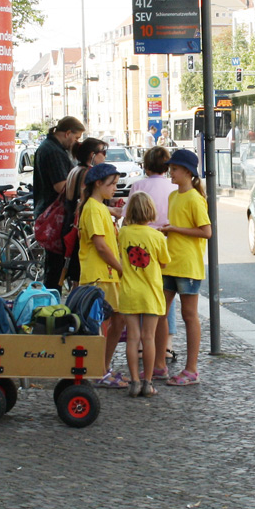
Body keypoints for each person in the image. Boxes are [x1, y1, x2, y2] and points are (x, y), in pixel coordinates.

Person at [156, 149, 211, 386]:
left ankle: (191, 369)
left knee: (189, 316)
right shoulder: (173, 196)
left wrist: (174, 229)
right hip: (170, 262)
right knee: (160, 313)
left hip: (188, 265)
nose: (171, 172)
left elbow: (206, 232)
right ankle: (159, 363)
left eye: (175, 169)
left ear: (187, 172)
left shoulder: (195, 199)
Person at [129, 145, 178, 373]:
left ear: (146, 165)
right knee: (165, 299)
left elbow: (129, 216)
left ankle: (141, 343)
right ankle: (166, 345)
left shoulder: (139, 185)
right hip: (166, 242)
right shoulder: (173, 186)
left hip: (140, 244)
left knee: (141, 291)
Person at [75, 163, 125, 389]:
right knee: (102, 325)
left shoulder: (98, 207)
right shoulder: (93, 208)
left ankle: (102, 367)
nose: (115, 187)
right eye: (111, 184)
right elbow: (101, 246)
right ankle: (98, 369)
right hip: (100, 276)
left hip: (107, 274)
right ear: (98, 184)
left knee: (117, 320)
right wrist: (122, 268)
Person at [117, 192, 170, 398]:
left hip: (129, 292)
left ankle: (134, 382)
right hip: (151, 293)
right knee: (149, 338)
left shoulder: (123, 234)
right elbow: (164, 262)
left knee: (133, 338)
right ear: (150, 211)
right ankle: (148, 383)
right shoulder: (157, 236)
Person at [33, 116, 85, 290]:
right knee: (56, 268)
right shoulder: (54, 151)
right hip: (55, 216)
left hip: (49, 212)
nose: (76, 142)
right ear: (68, 133)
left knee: (55, 267)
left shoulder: (48, 147)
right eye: (76, 138)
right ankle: (51, 306)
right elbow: (61, 186)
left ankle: (51, 302)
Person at [62, 137, 110, 287]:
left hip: (70, 222)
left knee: (76, 276)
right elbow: (86, 202)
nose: (105, 155)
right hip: (80, 227)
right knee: (80, 276)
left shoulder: (75, 169)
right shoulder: (87, 173)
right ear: (92, 154)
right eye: (103, 151)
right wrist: (113, 210)